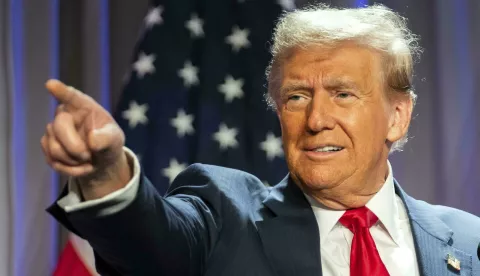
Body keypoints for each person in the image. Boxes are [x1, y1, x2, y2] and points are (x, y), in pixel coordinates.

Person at [43, 4, 480, 276]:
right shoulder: (223, 217)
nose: (316, 119)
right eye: (296, 97)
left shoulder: (468, 242)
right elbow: (152, 242)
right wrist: (107, 174)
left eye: (343, 94)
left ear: (397, 117)